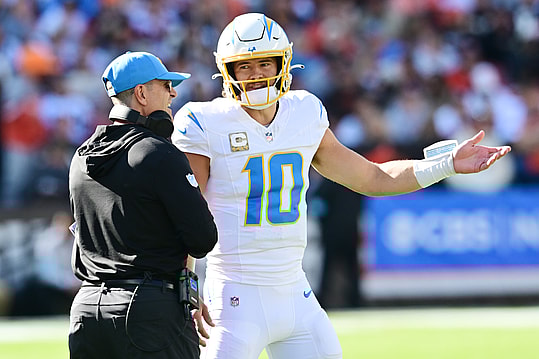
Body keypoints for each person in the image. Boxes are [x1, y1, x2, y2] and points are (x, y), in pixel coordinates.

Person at [172, 13, 511, 359]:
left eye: (264, 63)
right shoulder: (204, 122)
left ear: (283, 63)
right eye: (244, 66)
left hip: (295, 294)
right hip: (232, 300)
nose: (256, 74)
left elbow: (372, 178)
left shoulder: (303, 113)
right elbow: (187, 213)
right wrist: (185, 282)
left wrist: (447, 163)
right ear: (227, 71)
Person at [68, 51, 218, 359]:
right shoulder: (160, 154)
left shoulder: (81, 157)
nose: (173, 93)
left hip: (87, 310)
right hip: (149, 312)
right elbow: (203, 239)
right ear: (141, 93)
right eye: (165, 85)